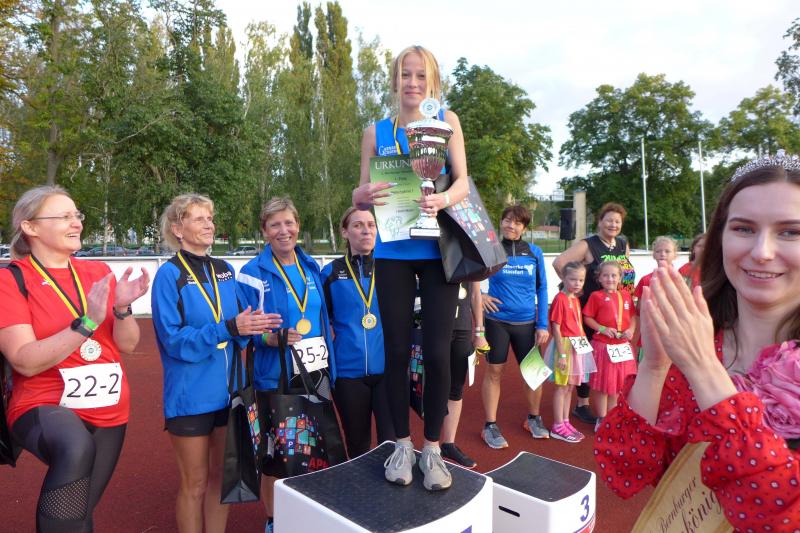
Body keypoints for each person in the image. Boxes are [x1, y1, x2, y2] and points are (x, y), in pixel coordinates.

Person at [594, 151, 800, 531]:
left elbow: (780, 516)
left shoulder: (697, 354)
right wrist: (654, 366)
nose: (761, 252)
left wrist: (703, 370)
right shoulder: (696, 339)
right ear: (720, 238)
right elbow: (625, 468)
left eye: (790, 232)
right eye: (743, 229)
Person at [352, 45, 469, 491]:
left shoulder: (447, 121)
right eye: (405, 75)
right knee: (397, 353)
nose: (413, 83)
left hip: (438, 252)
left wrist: (442, 199)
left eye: (421, 75)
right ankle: (402, 444)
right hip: (393, 252)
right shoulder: (376, 132)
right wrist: (364, 196)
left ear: (433, 81)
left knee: (438, 353)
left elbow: (462, 181)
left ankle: (433, 448)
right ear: (395, 80)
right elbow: (359, 194)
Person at [0, 186, 149, 532]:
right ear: (30, 227)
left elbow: (128, 344)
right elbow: (24, 359)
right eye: (64, 216)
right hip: (43, 403)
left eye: (77, 215)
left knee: (76, 515)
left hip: (109, 408)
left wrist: (122, 308)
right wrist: (87, 324)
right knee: (75, 447)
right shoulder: (11, 280)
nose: (77, 223)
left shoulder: (98, 273)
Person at [151, 194, 278, 533]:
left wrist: (259, 330)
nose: (209, 224)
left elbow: (238, 327)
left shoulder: (224, 270)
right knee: (194, 483)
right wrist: (229, 328)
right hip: (190, 398)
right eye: (199, 219)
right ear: (178, 229)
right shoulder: (169, 275)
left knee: (223, 480)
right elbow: (174, 341)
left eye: (210, 218)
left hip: (229, 395)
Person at [237, 197, 337, 526]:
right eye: (275, 225)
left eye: (289, 223)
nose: (284, 230)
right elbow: (245, 331)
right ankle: (274, 520)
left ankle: (308, 517)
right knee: (276, 456)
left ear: (298, 225)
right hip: (274, 377)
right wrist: (269, 338)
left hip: (316, 372)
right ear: (264, 231)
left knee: (315, 449)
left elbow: (320, 319)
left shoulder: (311, 267)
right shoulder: (251, 274)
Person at [553, 202, 635, 425]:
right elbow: (559, 262)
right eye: (609, 220)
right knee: (587, 355)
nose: (613, 225)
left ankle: (601, 406)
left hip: (612, 310)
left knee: (607, 361)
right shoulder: (588, 245)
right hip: (588, 310)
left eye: (617, 221)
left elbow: (625, 275)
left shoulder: (622, 244)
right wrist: (574, 289)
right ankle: (582, 404)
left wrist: (623, 302)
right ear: (600, 222)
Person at [321, 207, 394, 459]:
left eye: (371, 225)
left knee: (391, 444)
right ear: (344, 232)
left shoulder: (391, 269)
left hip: (388, 371)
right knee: (357, 444)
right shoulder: (330, 273)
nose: (366, 230)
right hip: (348, 373)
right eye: (358, 225)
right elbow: (321, 318)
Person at [480, 204, 550, 448]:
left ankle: (533, 419)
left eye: (517, 222)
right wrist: (480, 295)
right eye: (508, 220)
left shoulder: (534, 252)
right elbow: (468, 276)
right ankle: (490, 425)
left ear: (524, 228)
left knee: (534, 374)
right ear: (501, 222)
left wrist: (542, 324)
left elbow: (542, 288)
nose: (511, 225)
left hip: (527, 323)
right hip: (497, 321)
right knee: (494, 372)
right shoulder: (491, 249)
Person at [582, 261, 636, 431]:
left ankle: (611, 418)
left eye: (614, 275)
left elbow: (632, 317)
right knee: (602, 386)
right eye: (605, 275)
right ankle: (601, 418)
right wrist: (602, 329)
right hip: (604, 346)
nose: (610, 279)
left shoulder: (626, 296)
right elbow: (587, 318)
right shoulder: (596, 296)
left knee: (617, 386)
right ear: (599, 278)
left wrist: (631, 330)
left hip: (622, 347)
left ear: (620, 278)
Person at [440, 281, 488, 468]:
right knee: (432, 385)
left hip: (462, 328)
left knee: (456, 387)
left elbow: (475, 293)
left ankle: (448, 444)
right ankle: (430, 445)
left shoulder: (470, 261)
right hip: (436, 326)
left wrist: (479, 332)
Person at [546, 262, 591, 443]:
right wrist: (562, 355)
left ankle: (565, 421)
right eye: (573, 279)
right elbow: (556, 328)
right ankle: (557, 425)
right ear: (563, 278)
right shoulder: (560, 299)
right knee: (561, 386)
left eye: (581, 280)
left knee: (570, 386)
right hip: (564, 347)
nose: (577, 283)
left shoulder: (575, 299)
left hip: (576, 346)